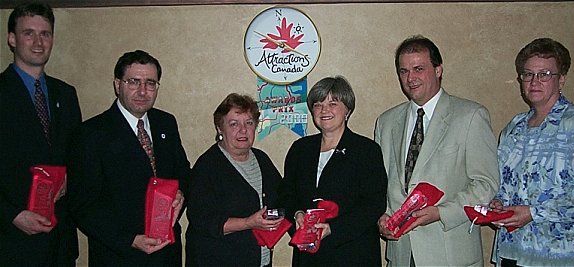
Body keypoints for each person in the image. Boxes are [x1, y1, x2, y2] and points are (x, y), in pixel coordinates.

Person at [375, 35, 500, 266]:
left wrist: (441, 212)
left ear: (438, 69)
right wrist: (382, 217)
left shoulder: (471, 116)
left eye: (419, 68)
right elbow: (382, 184)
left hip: (450, 253)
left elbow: (486, 184)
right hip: (402, 253)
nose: (410, 78)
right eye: (403, 71)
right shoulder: (386, 122)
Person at [68, 50, 190, 266]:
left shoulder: (166, 123)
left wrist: (181, 193)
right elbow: (82, 204)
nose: (142, 91)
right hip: (119, 255)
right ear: (118, 84)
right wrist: (129, 240)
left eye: (150, 83)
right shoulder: (92, 133)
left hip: (167, 254)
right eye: (134, 82)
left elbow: (183, 173)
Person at [0, 3, 82, 267]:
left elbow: (76, 156)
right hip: (11, 240)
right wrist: (11, 214)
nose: (38, 42)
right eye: (29, 33)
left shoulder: (66, 94)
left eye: (45, 34)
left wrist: (72, 176)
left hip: (60, 242)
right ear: (12, 39)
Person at [278, 76, 387, 266]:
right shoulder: (300, 149)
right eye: (318, 104)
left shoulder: (366, 150)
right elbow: (286, 193)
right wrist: (296, 214)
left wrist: (333, 229)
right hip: (309, 257)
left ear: (348, 109)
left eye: (333, 103)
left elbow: (374, 204)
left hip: (353, 253)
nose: (324, 110)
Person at [489, 38, 574, 267]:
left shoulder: (572, 126)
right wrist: (496, 203)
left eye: (545, 74)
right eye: (528, 74)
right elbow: (500, 180)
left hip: (555, 254)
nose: (535, 81)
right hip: (512, 249)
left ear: (561, 79)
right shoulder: (514, 127)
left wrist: (534, 212)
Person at [185, 93, 283, 267]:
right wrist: (248, 223)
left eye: (249, 123)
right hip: (218, 260)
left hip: (259, 260)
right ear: (219, 129)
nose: (243, 130)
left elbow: (283, 195)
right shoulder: (207, 167)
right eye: (234, 124)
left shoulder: (262, 159)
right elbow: (203, 220)